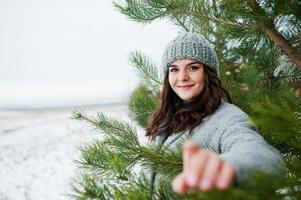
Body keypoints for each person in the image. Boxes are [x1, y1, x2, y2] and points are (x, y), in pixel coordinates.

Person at [146, 32, 285, 194]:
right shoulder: (169, 119)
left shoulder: (228, 118)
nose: (182, 77)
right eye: (174, 69)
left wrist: (228, 167)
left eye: (193, 67)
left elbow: (263, 157)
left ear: (208, 72)